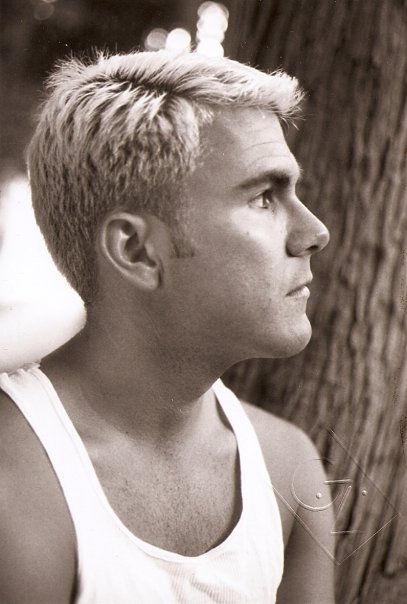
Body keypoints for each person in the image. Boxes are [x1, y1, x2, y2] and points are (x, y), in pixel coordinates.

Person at [0, 50, 334, 603]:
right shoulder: (15, 482)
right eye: (263, 198)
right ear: (137, 250)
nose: (314, 232)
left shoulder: (287, 468)